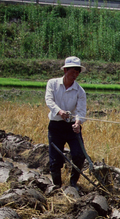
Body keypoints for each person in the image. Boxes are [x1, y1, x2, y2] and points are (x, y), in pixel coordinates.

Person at [45, 56, 87, 189]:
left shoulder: (80, 91)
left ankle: (73, 183)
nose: (75, 75)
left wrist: (78, 122)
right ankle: (57, 186)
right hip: (56, 126)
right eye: (73, 71)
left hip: (71, 127)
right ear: (65, 70)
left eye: (77, 72)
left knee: (79, 155)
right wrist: (59, 112)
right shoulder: (53, 84)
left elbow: (81, 111)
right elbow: (49, 100)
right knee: (55, 160)